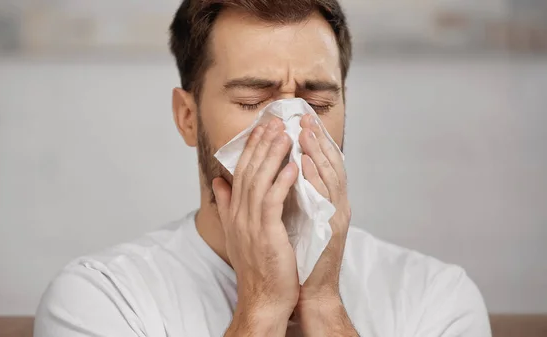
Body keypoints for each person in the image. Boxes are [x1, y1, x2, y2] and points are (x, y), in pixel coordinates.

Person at [34, 0, 491, 336]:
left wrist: (323, 303)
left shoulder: (436, 299)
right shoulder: (104, 299)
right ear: (187, 117)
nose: (291, 129)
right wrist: (261, 308)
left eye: (317, 103)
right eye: (252, 101)